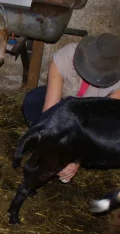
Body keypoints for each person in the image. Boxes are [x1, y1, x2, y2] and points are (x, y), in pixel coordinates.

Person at [22, 33, 120, 183]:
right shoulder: (66, 56)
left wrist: (76, 160)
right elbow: (50, 110)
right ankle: (41, 144)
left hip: (88, 120)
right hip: (62, 107)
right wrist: (52, 150)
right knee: (33, 101)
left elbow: (99, 127)